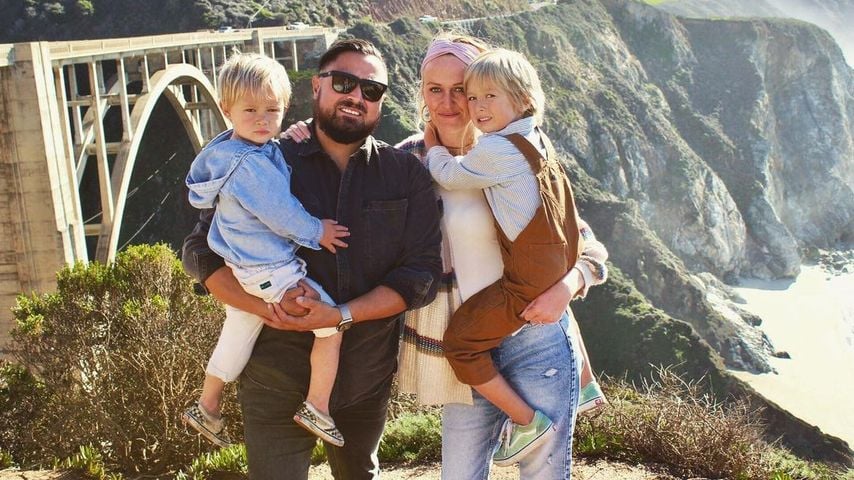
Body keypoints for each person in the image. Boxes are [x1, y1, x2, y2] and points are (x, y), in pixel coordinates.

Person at [284, 34, 609, 479]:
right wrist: (303, 134)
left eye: (462, 89)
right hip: (460, 350)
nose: (449, 102)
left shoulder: (511, 153)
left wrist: (567, 288)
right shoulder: (407, 161)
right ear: (421, 92)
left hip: (535, 335)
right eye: (435, 89)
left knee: (545, 472)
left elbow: (581, 240)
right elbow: (345, 171)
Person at [181, 39, 442, 479]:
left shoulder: (404, 174)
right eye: (343, 83)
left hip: (365, 380)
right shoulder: (266, 161)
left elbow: (421, 276)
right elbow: (199, 253)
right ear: (317, 86)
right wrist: (267, 309)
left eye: (371, 89)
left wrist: (339, 315)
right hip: (274, 379)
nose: (356, 96)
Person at [181, 52, 353, 449]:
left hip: (243, 268)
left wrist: (288, 135)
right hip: (271, 269)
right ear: (225, 109)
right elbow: (281, 212)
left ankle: (207, 405)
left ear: (284, 109)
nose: (262, 120)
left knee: (238, 332)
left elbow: (268, 148)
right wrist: (318, 231)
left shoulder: (228, 152)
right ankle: (317, 406)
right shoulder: (250, 166)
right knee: (331, 325)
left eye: (272, 110)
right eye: (250, 111)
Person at [424, 47, 584, 466]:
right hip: (542, 272)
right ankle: (574, 388)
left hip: (531, 305)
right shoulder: (535, 141)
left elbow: (449, 174)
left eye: (485, 95)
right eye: (473, 96)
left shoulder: (495, 149)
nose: (473, 105)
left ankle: (527, 421)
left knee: (459, 343)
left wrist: (432, 146)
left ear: (524, 98)